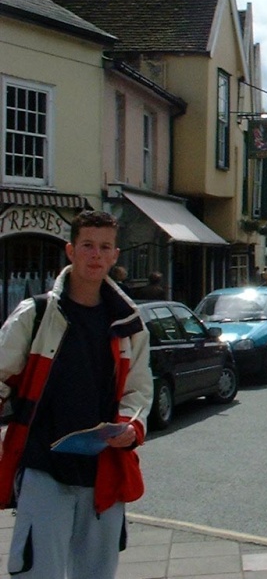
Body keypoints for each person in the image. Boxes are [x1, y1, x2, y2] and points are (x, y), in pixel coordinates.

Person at [0, 210, 152, 578]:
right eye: (87, 245)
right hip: (44, 468)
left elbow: (139, 389)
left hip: (104, 472)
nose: (95, 255)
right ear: (71, 250)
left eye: (104, 247)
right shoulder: (35, 314)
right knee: (38, 572)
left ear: (115, 255)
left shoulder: (129, 323)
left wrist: (131, 426)